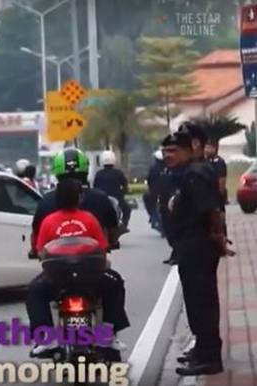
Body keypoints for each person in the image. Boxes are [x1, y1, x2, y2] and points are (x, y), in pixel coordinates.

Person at [27, 148, 128, 355]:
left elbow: (38, 243)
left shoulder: (46, 207)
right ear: (80, 197)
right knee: (115, 285)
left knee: (35, 290)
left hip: (56, 276)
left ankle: (45, 337)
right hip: (92, 273)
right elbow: (106, 238)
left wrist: (40, 254)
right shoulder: (97, 204)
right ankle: (108, 334)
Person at [161, 132, 226, 376]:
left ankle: (209, 357)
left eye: (174, 151)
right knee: (196, 301)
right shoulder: (191, 172)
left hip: (197, 245)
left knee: (202, 303)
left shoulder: (193, 175)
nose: (168, 156)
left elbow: (211, 210)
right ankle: (202, 348)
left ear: (190, 150)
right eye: (166, 152)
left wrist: (218, 237)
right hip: (190, 244)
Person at [93, 151, 131, 231]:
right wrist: (123, 192)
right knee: (127, 209)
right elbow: (125, 186)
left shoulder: (99, 174)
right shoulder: (119, 173)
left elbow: (94, 187)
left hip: (102, 199)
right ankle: (124, 224)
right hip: (117, 199)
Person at [205, 137, 228, 235]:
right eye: (206, 147)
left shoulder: (219, 162)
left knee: (220, 223)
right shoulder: (202, 162)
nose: (208, 150)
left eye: (210, 147)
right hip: (205, 199)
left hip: (217, 199)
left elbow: (221, 183)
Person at [144, 150, 165, 234]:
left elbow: (148, 180)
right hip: (165, 192)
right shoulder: (168, 167)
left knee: (147, 200)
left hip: (154, 192)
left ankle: (152, 217)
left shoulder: (153, 168)